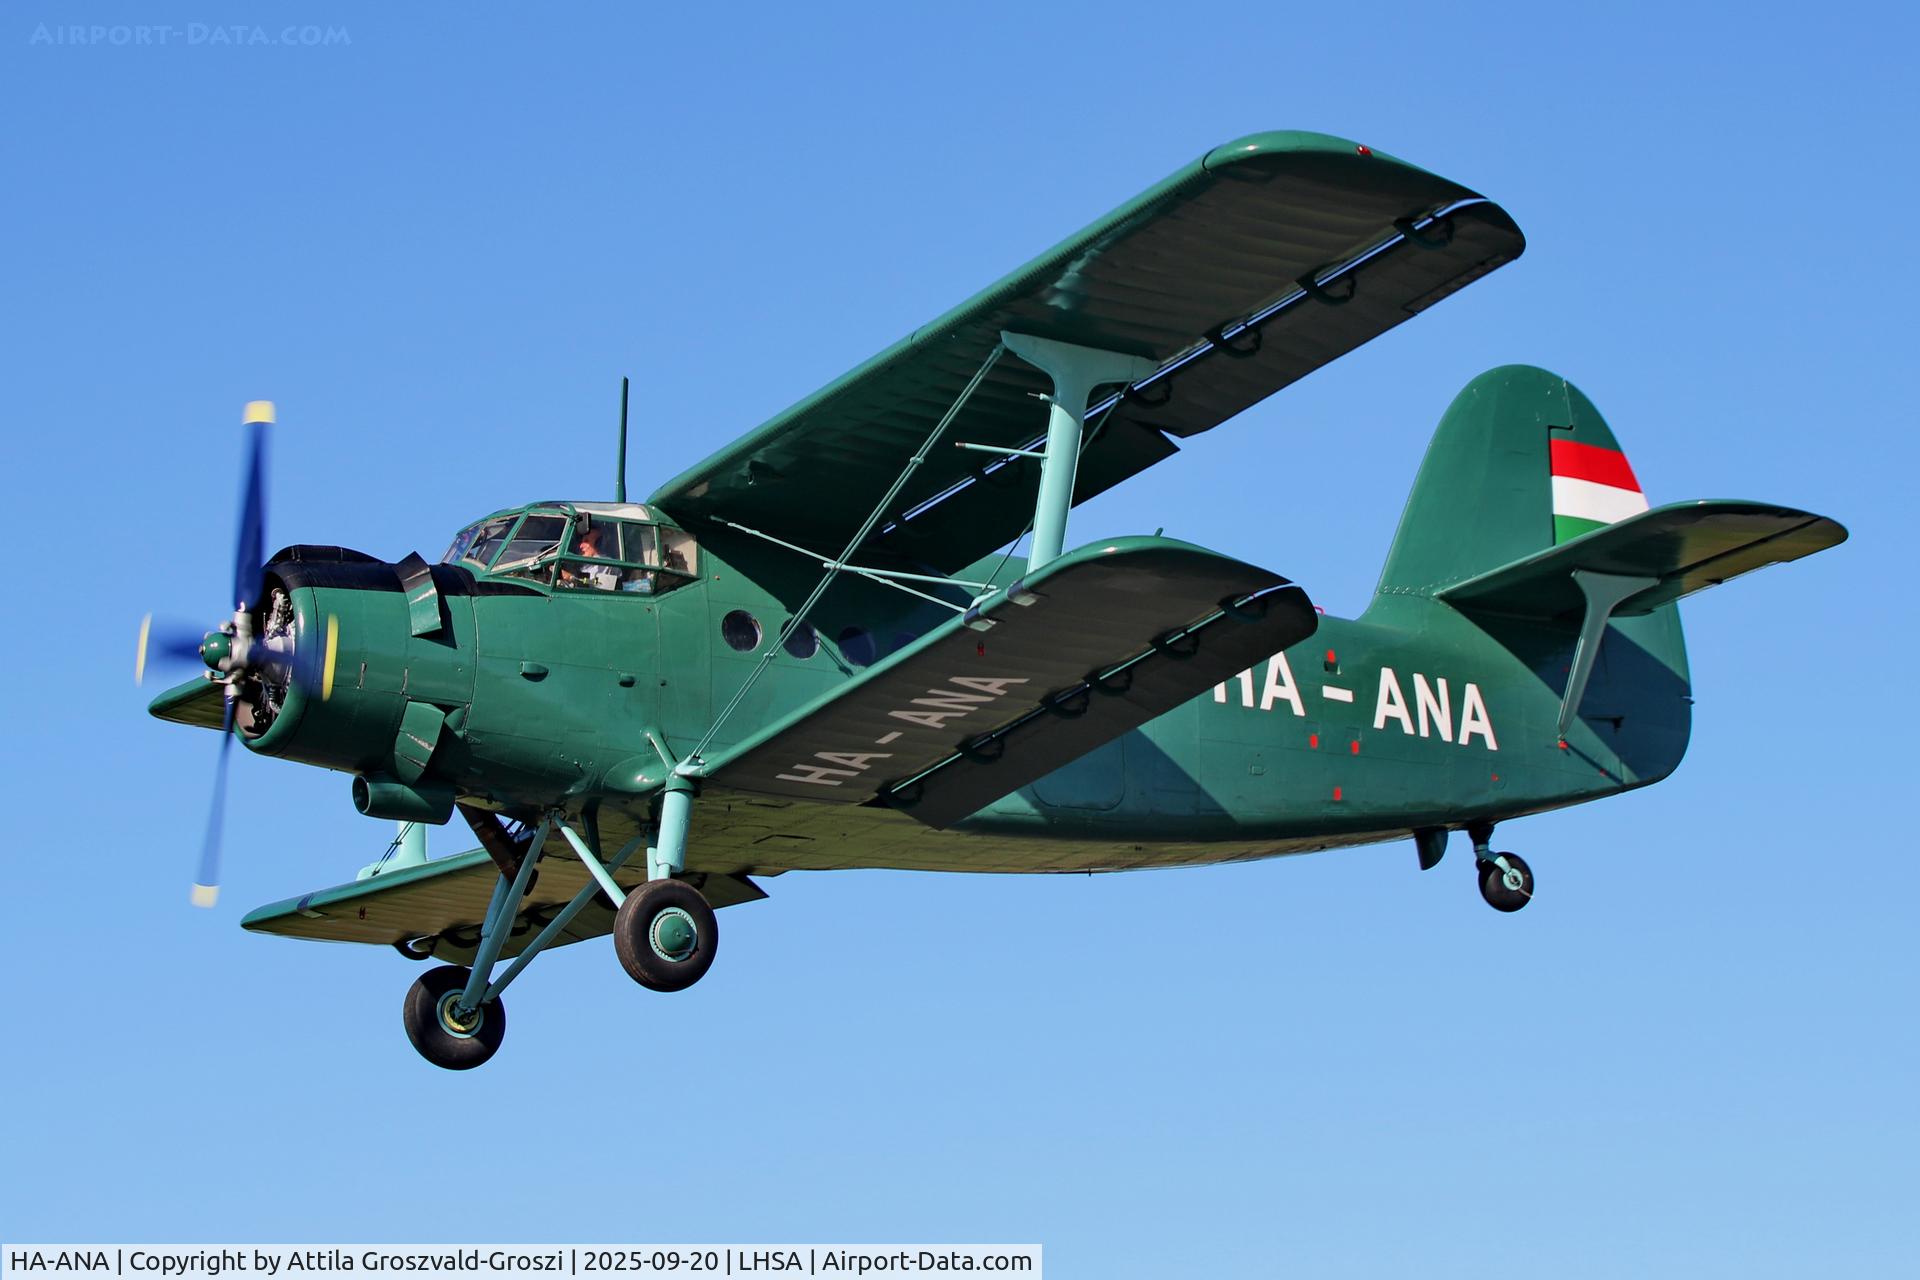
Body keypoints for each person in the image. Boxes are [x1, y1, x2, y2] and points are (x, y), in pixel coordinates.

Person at [560, 525, 619, 590]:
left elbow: (598, 585)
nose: (581, 546)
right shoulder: (584, 564)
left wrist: (571, 578)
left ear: (598, 544)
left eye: (586, 541)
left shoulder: (606, 564)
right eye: (581, 541)